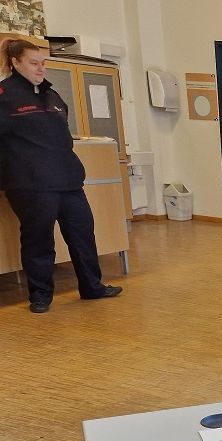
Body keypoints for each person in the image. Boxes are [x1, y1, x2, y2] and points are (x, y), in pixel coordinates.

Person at [0, 39, 122, 313]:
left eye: (43, 63)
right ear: (15, 62)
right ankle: (41, 295)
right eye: (33, 63)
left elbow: (63, 136)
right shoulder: (4, 96)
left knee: (82, 233)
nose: (40, 69)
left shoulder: (51, 95)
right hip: (30, 184)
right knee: (39, 240)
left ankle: (92, 286)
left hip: (67, 179)